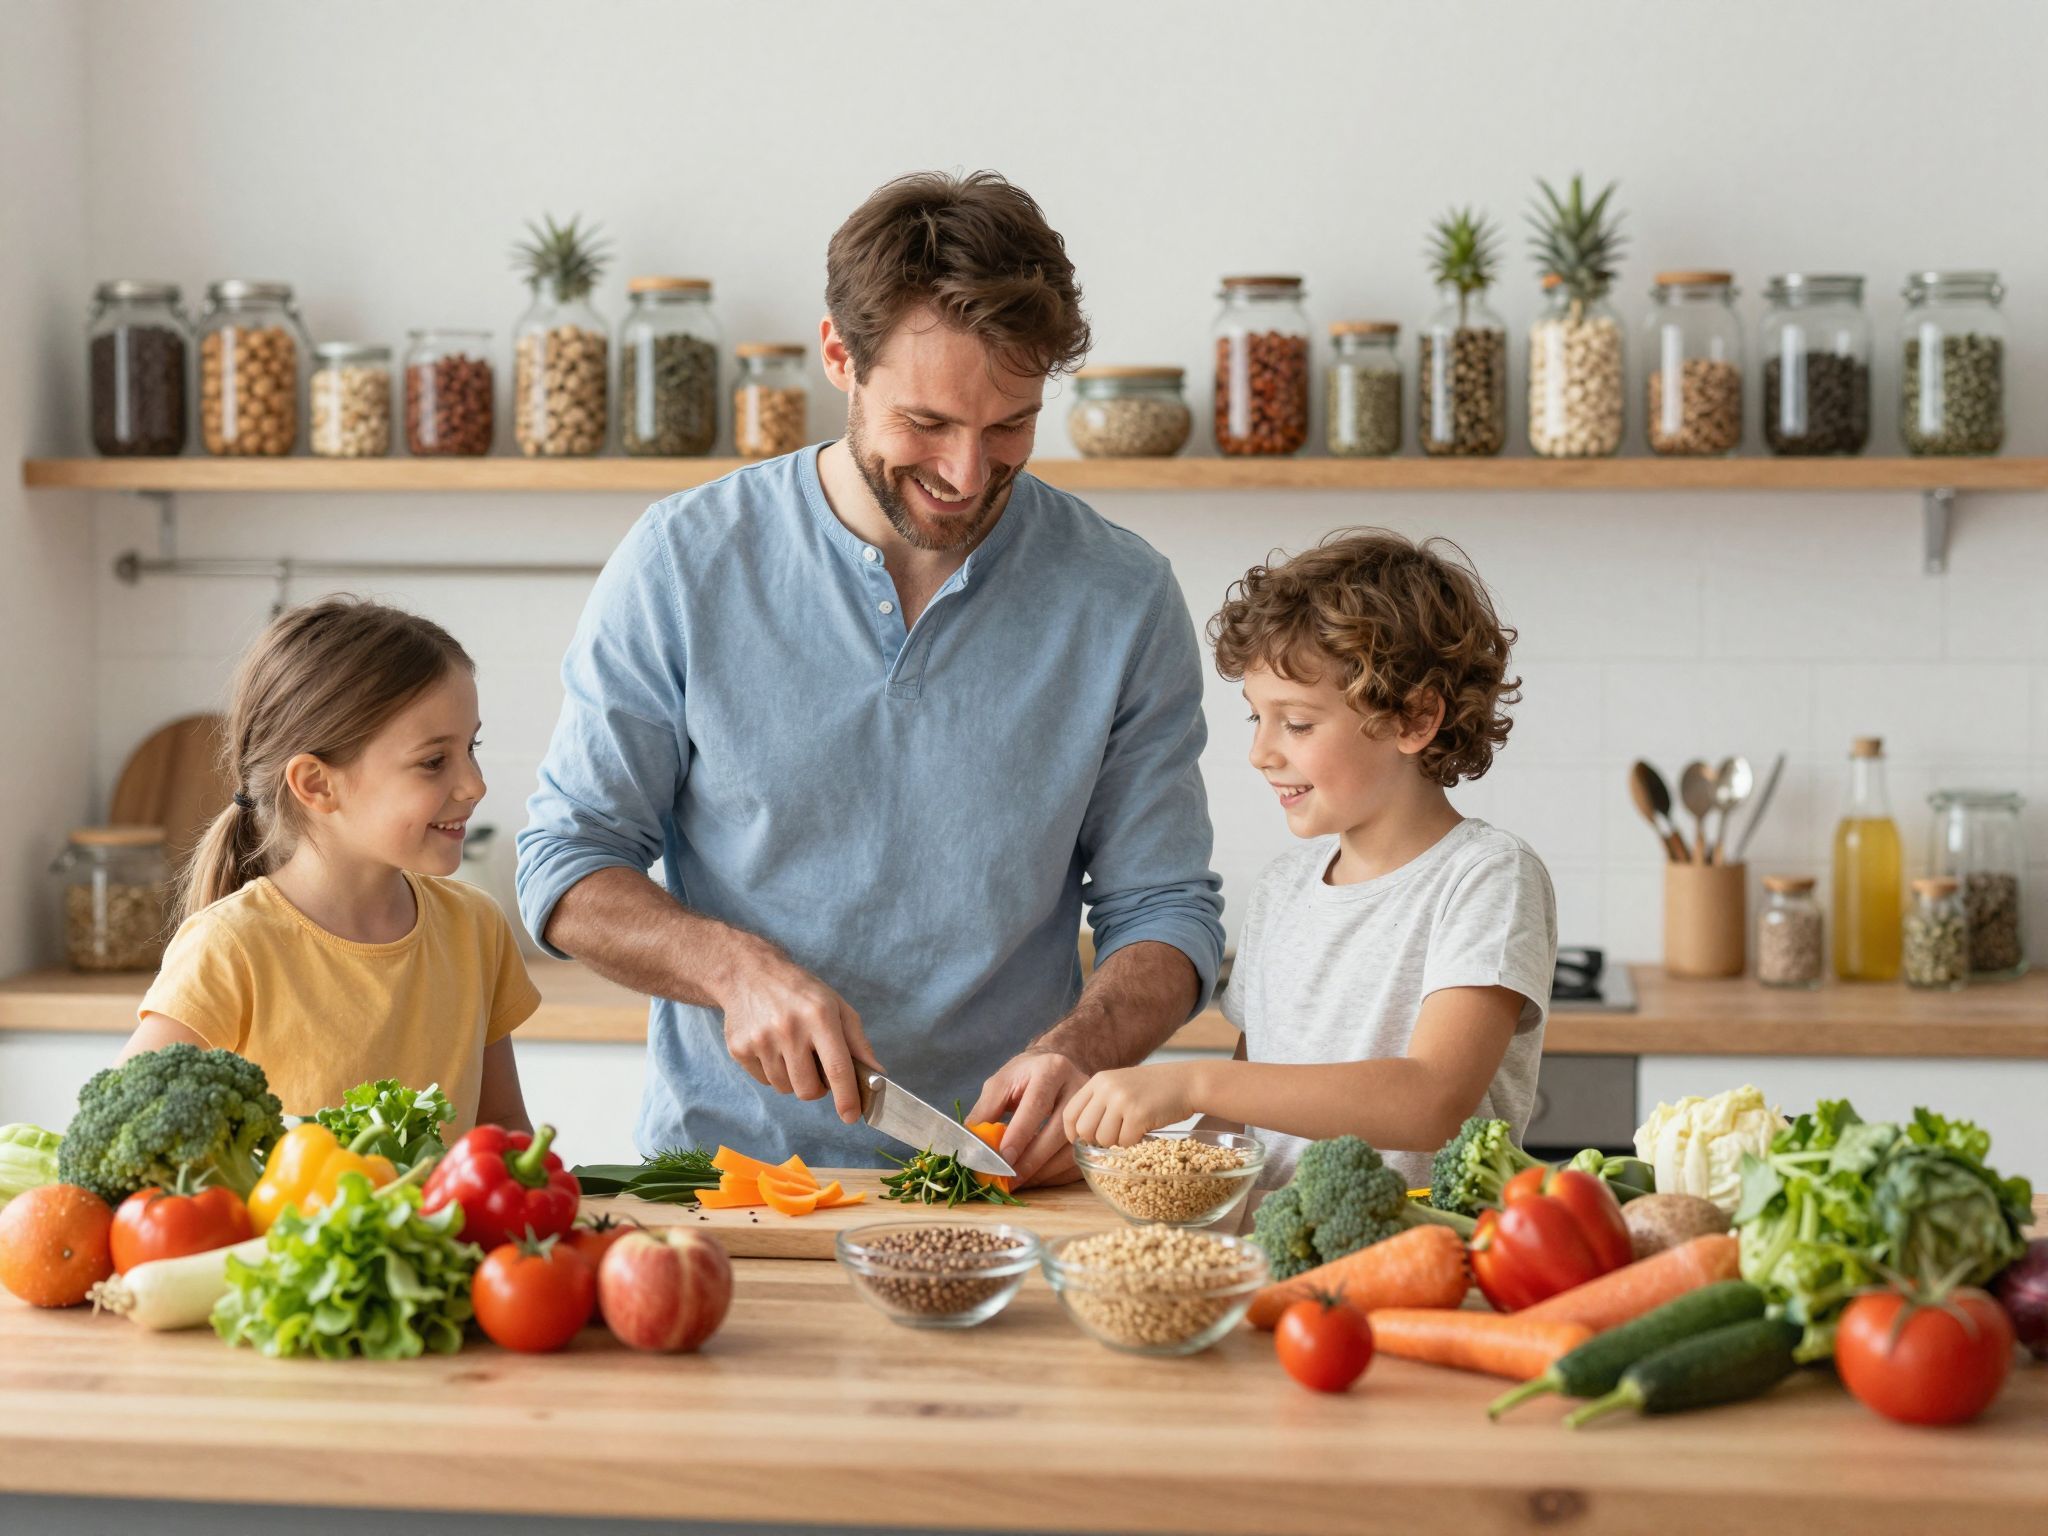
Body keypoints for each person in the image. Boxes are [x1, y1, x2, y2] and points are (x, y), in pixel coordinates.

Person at [517, 171, 1223, 1182]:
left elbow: (1165, 913)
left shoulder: (1121, 597)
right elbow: (565, 863)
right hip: (730, 1184)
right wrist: (732, 970)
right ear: (839, 358)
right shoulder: (683, 560)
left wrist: (1083, 1049)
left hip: (997, 1181)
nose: (967, 474)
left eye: (1010, 425)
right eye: (927, 422)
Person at [1062, 530, 1556, 1196]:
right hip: (1274, 1247)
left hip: (1427, 1247)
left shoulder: (1486, 876)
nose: (1261, 753)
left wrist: (1189, 1081)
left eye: (1295, 723)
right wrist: (1162, 1171)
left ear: (1414, 720)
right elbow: (1241, 1114)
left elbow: (1432, 1101)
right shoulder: (1284, 888)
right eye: (1256, 719)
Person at [120, 597, 537, 1134]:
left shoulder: (475, 928)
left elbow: (501, 1125)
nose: (475, 785)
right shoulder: (231, 947)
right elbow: (126, 1127)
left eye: (471, 748)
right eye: (434, 761)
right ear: (316, 783)